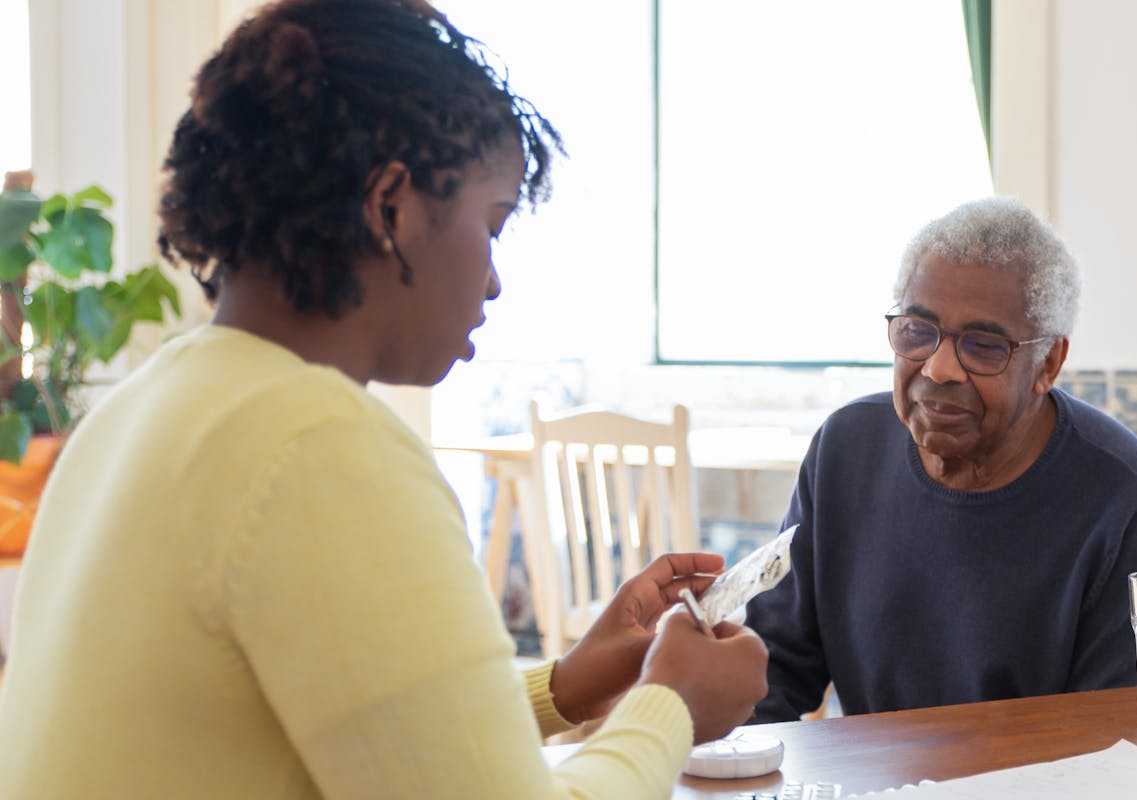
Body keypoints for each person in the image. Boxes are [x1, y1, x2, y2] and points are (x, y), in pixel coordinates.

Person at [0, 1, 766, 797]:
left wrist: (567, 685)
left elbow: (361, 725)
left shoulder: (143, 406)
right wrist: (670, 703)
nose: (496, 280)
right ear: (391, 206)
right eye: (493, 225)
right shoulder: (320, 444)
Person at [744, 197, 1137, 722]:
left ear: (1048, 363)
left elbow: (1110, 734)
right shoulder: (844, 448)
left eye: (983, 345)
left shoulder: (1127, 497)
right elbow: (772, 675)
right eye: (917, 331)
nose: (940, 367)